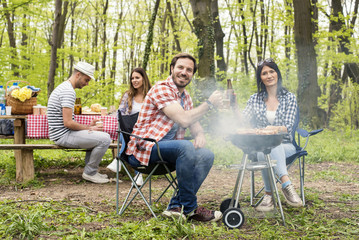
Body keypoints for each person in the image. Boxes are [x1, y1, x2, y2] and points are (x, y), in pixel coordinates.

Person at [125, 53, 223, 222]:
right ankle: (190, 207)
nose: (184, 72)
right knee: (185, 146)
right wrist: (210, 103)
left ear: (192, 74)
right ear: (172, 69)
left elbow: (193, 123)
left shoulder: (186, 97)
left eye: (189, 70)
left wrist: (199, 133)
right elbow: (184, 119)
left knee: (207, 155)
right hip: (144, 150)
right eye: (180, 67)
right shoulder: (161, 88)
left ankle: (176, 207)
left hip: (169, 152)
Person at [238, 58, 302, 211]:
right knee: (264, 150)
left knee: (270, 147)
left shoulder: (289, 97)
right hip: (262, 145)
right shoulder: (255, 99)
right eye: (264, 73)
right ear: (260, 78)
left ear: (277, 74)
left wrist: (268, 130)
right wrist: (232, 106)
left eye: (271, 71)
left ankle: (269, 196)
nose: (269, 75)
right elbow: (241, 119)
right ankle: (287, 186)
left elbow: (287, 127)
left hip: (286, 144)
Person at [47, 61, 111, 184]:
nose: (86, 84)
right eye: (86, 80)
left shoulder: (64, 87)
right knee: (105, 139)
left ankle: (91, 171)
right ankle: (90, 173)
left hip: (62, 133)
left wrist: (89, 128)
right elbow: (68, 123)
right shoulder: (68, 91)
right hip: (62, 135)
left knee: (98, 137)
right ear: (78, 75)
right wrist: (88, 128)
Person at [106, 67, 152, 186]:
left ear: (144, 78)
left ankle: (119, 159)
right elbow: (120, 114)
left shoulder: (151, 95)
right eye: (132, 78)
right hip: (128, 129)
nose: (134, 80)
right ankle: (138, 175)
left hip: (145, 130)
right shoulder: (128, 95)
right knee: (128, 135)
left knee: (135, 137)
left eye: (137, 77)